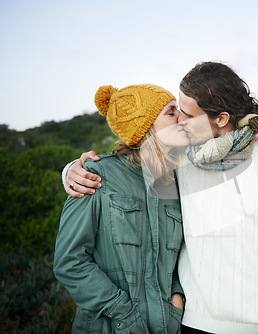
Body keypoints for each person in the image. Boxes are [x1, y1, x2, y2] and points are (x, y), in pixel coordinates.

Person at [63, 61, 258, 334]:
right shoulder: (182, 158)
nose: (179, 121)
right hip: (191, 324)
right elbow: (135, 162)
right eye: (176, 111)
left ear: (220, 119)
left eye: (186, 114)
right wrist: (72, 170)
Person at [54, 84, 189, 333]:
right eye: (171, 112)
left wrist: (177, 298)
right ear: (145, 125)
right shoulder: (96, 174)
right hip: (110, 326)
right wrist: (122, 311)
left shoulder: (176, 182)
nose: (182, 117)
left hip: (168, 327)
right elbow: (69, 261)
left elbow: (181, 256)